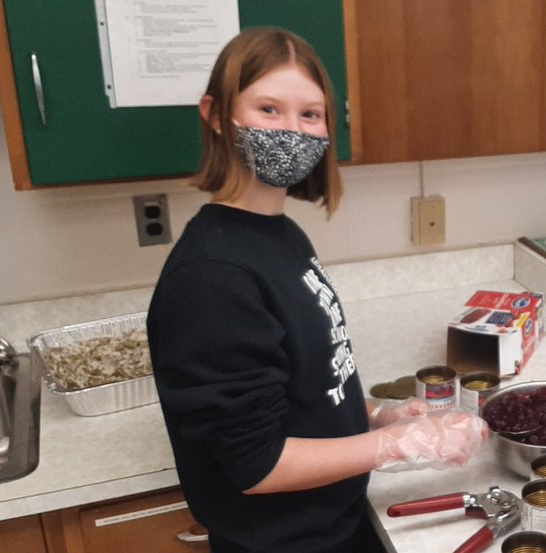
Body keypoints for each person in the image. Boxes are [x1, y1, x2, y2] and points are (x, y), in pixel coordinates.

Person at [146, 28, 487, 553]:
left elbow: (301, 384)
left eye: (310, 114)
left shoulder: (278, 233)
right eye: (268, 109)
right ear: (216, 115)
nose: (292, 130)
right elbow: (256, 465)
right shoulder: (212, 276)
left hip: (335, 522)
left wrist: (373, 415)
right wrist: (395, 444)